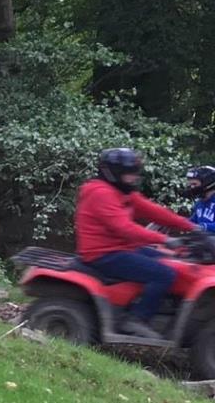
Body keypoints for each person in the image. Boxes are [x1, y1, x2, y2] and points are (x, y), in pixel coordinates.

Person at [75, 147, 194, 342]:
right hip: (103, 254)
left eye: (134, 174)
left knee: (171, 261)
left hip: (121, 248)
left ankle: (157, 310)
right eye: (129, 175)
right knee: (164, 274)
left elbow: (153, 211)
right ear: (113, 173)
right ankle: (136, 319)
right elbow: (125, 228)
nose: (134, 179)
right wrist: (165, 239)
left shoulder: (122, 192)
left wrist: (190, 226)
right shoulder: (101, 193)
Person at [187, 166, 215, 232]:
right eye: (190, 185)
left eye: (194, 184)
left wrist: (203, 227)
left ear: (207, 183)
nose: (192, 187)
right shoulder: (199, 203)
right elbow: (193, 221)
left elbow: (198, 226)